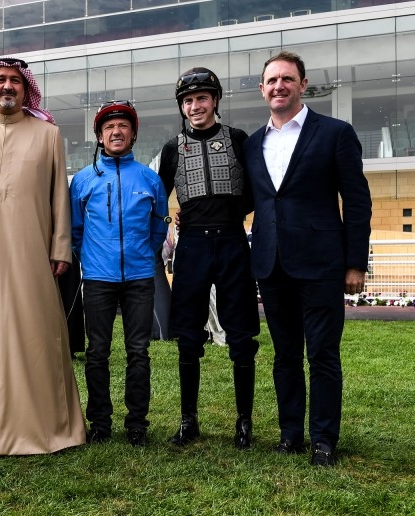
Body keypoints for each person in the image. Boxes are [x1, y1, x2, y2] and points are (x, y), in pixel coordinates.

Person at [0, 57, 86, 455]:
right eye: (0, 81)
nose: (7, 86)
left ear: (26, 90)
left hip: (32, 251)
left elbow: (58, 198)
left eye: (15, 81)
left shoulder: (47, 135)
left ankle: (45, 423)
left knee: (36, 332)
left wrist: (60, 245)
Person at [244, 51, 371, 466]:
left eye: (286, 79)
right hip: (271, 263)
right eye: (271, 80)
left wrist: (355, 263)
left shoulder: (335, 132)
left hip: (321, 263)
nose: (278, 86)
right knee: (284, 356)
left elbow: (356, 201)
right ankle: (290, 433)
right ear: (262, 89)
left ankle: (323, 439)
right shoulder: (251, 144)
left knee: (322, 354)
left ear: (302, 83)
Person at [158, 68, 260, 449]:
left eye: (202, 98)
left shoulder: (237, 139)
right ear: (182, 107)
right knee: (187, 335)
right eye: (188, 101)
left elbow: (255, 190)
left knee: (242, 334)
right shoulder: (172, 148)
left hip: (233, 242)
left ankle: (244, 422)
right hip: (193, 245)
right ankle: (189, 420)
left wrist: (233, 215)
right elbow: (158, 197)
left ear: (215, 100)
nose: (195, 106)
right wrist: (171, 219)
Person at [70, 101, 169, 447]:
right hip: (97, 278)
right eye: (109, 128)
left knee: (138, 351)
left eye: (123, 127)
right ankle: (100, 422)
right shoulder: (82, 181)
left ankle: (137, 423)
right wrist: (92, 260)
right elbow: (75, 230)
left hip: (140, 277)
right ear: (99, 136)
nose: (116, 132)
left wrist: (145, 255)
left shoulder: (149, 178)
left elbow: (159, 229)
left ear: (133, 134)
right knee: (97, 351)